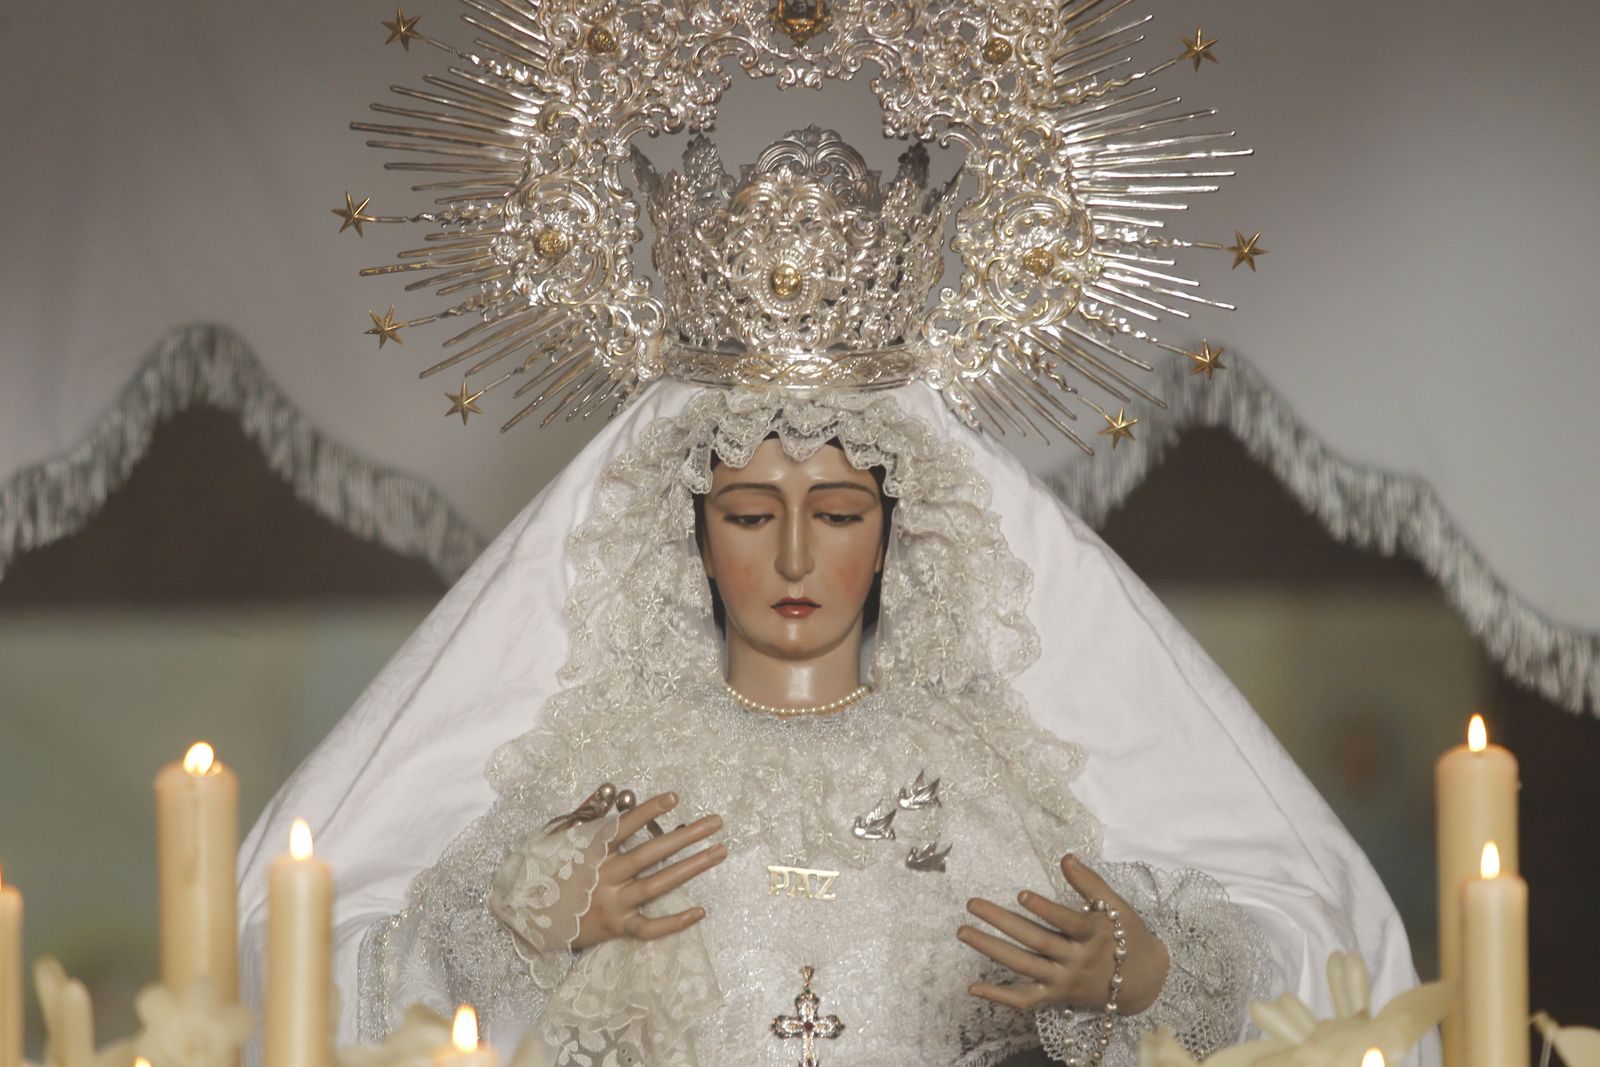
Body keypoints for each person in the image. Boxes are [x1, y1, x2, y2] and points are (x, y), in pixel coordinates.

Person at [237, 378, 1427, 1066]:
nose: (798, 557)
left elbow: (1284, 968)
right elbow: (346, 989)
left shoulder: (989, 770)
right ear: (694, 534)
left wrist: (1147, 975)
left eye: (842, 511)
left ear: (896, 531)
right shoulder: (610, 773)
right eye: (752, 513)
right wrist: (517, 926)